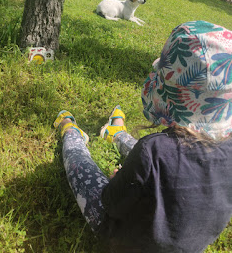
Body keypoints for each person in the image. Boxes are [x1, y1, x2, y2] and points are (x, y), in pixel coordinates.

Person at [54, 21, 232, 253]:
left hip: (127, 241)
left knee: (80, 167)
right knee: (164, 162)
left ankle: (71, 133)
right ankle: (116, 134)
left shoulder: (154, 150)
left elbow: (111, 204)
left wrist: (120, 179)